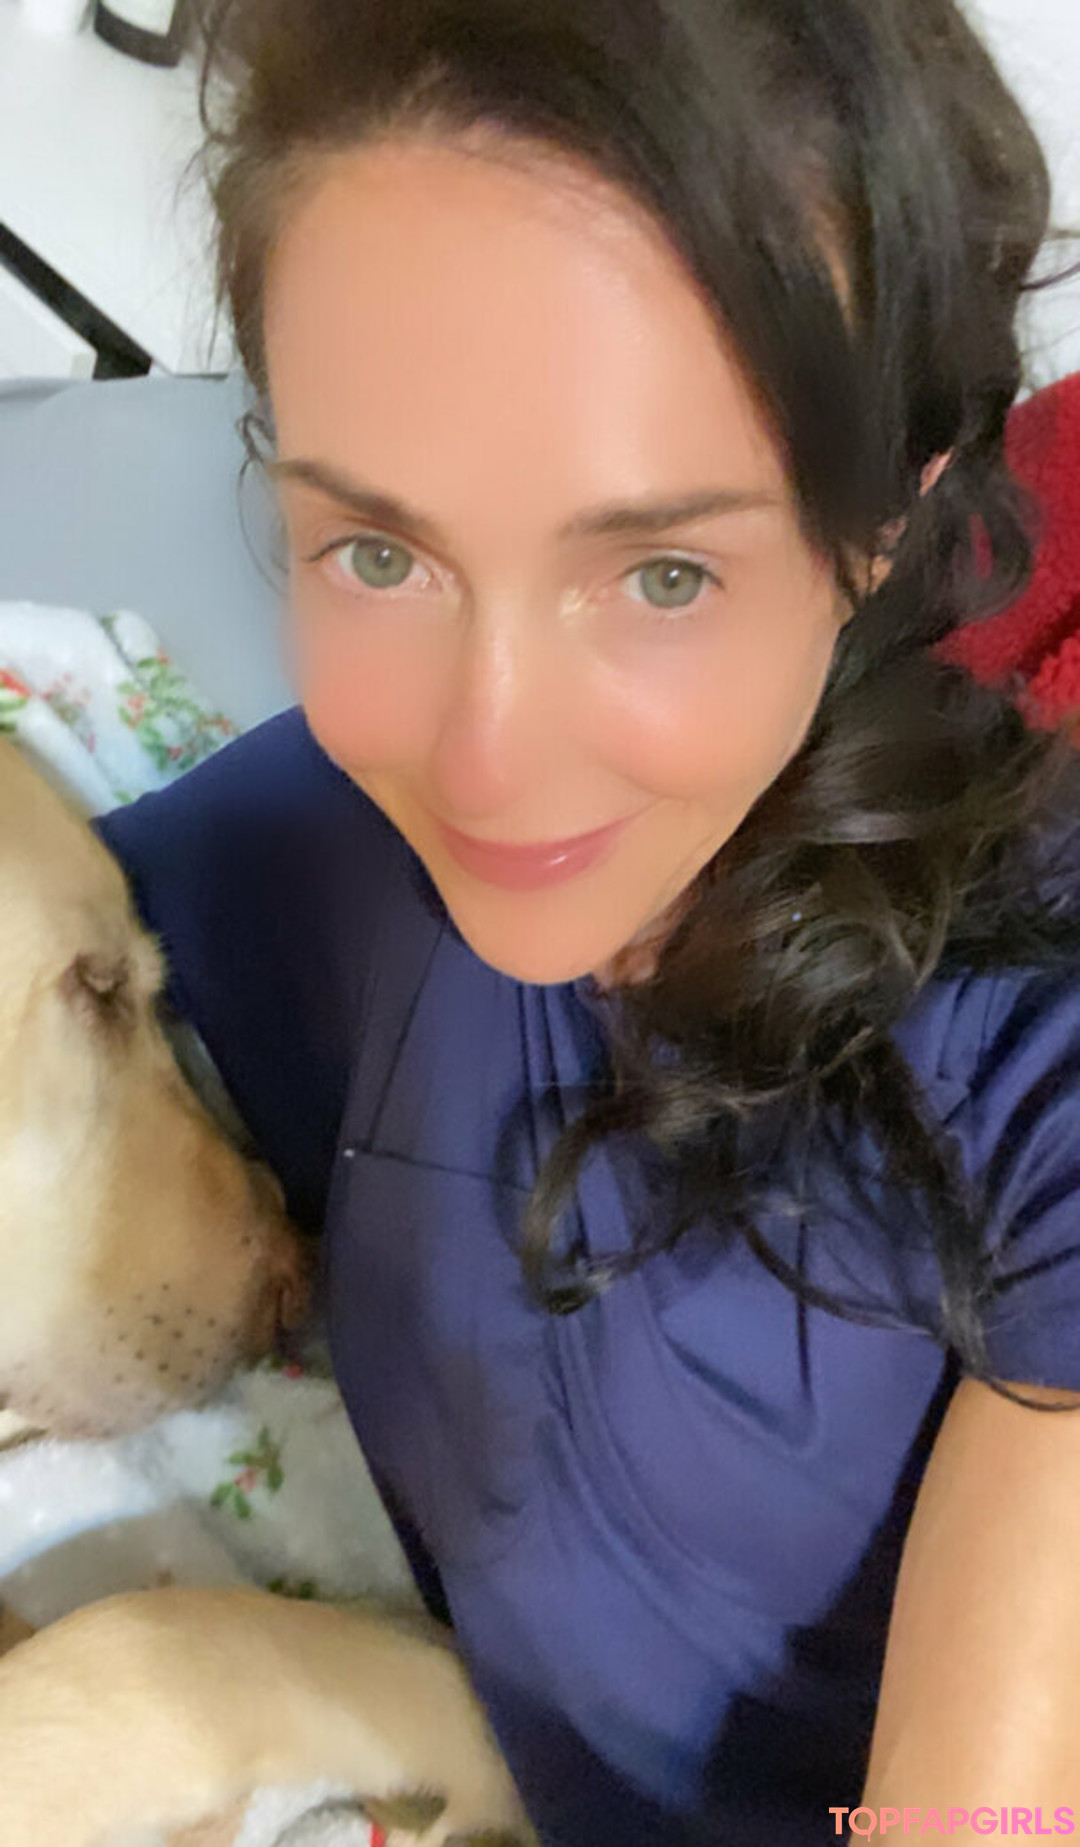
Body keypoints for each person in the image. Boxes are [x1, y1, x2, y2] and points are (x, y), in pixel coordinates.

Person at [98, 1, 1080, 1840]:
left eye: (663, 572)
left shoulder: (1037, 1066)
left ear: (887, 517)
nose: (486, 758)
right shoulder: (336, 844)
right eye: (378, 552)